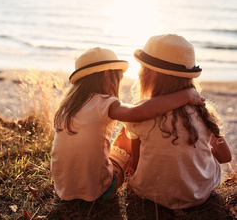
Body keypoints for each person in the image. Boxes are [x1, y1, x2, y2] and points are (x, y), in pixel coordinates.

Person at [51, 47, 205, 203]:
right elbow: (136, 114)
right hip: (98, 191)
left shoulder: (67, 106)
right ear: (107, 74)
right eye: (119, 76)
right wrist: (185, 95)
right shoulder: (103, 102)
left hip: (63, 189)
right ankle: (131, 171)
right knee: (126, 132)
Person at [125, 34, 232, 209]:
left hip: (151, 194)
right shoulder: (203, 112)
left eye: (142, 69)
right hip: (200, 194)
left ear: (150, 74)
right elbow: (225, 157)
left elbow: (135, 163)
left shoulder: (141, 113)